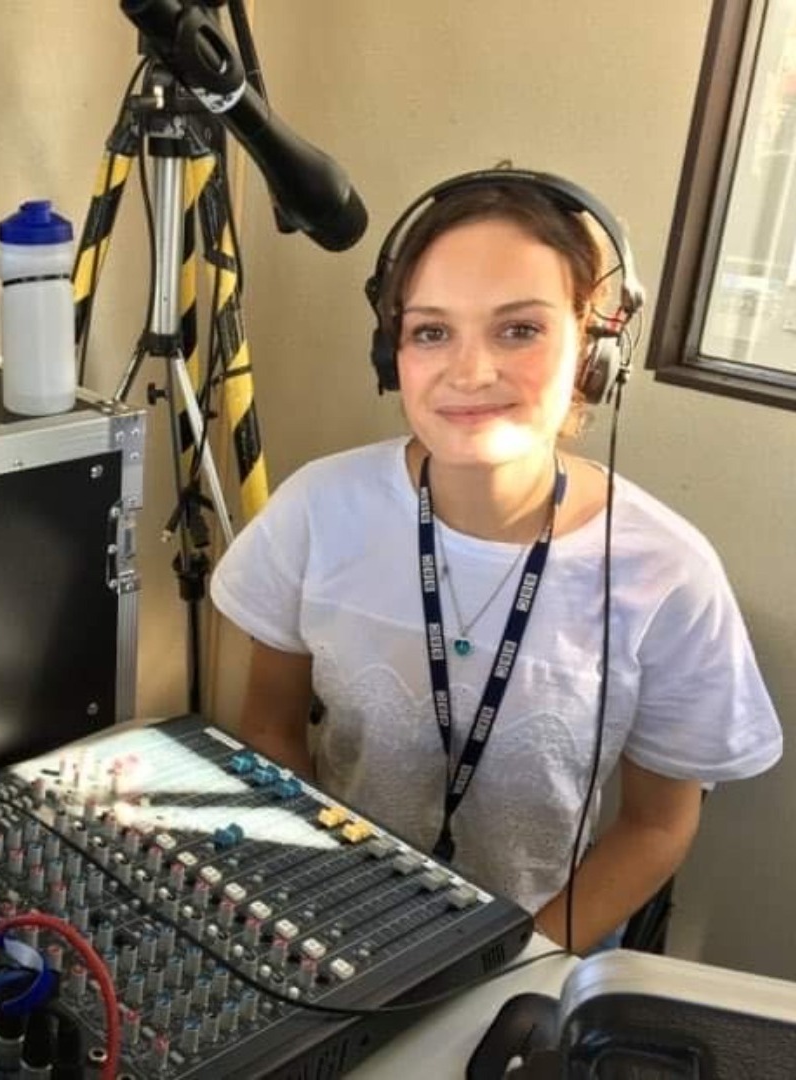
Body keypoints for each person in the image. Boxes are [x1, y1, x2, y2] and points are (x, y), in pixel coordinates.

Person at [209, 169, 783, 954]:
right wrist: (320, 906)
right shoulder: (318, 509)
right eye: (431, 331)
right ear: (392, 352)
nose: (470, 371)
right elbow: (271, 723)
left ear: (593, 346)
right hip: (336, 919)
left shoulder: (669, 573)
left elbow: (656, 823)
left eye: (518, 329)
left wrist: (514, 967)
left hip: (544, 947)